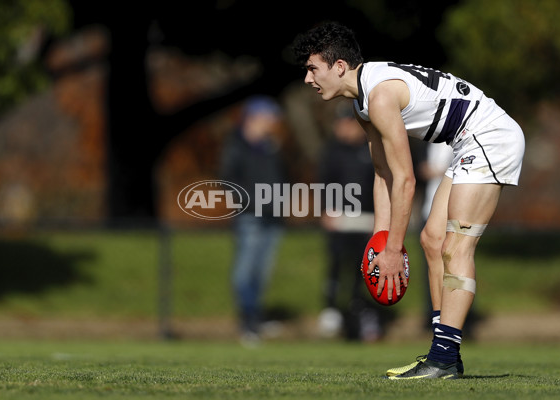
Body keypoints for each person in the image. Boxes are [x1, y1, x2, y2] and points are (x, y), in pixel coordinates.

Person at [292, 22, 524, 379]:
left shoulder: (380, 96)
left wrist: (392, 251)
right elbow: (383, 175)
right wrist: (380, 241)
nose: (308, 79)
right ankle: (442, 355)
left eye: (312, 69)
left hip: (491, 137)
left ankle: (444, 358)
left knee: (455, 247)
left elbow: (405, 180)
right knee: (432, 240)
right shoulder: (362, 102)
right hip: (467, 143)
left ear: (339, 67)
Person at [317, 102, 393, 342]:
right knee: (337, 262)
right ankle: (332, 308)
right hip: (340, 218)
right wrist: (325, 210)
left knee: (365, 269)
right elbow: (324, 183)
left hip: (367, 219)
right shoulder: (331, 151)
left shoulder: (372, 149)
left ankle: (360, 309)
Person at [219, 95, 287, 347]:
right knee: (245, 271)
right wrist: (254, 201)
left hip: (273, 218)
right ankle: (247, 320)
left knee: (262, 272)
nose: (272, 123)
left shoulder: (271, 147)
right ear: (254, 118)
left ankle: (256, 316)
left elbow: (282, 179)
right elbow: (228, 181)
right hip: (250, 217)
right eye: (268, 118)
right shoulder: (236, 146)